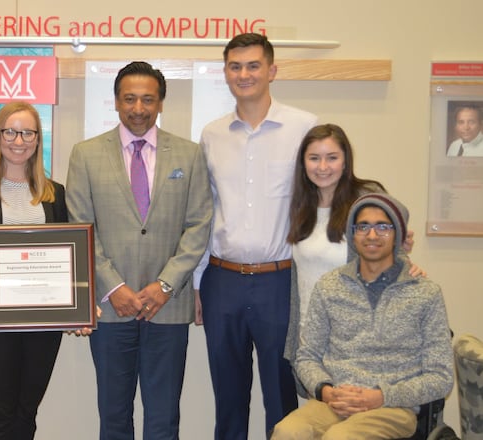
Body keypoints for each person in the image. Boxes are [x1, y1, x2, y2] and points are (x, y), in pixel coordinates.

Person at [66, 61, 212, 439]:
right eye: (129, 98)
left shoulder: (189, 154)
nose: (138, 108)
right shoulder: (85, 154)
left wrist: (165, 285)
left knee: (164, 419)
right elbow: (81, 228)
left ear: (160, 103)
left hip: (168, 306)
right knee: (114, 417)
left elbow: (199, 224)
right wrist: (115, 287)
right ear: (115, 102)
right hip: (111, 308)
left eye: (148, 99)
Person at [194, 32, 318, 439]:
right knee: (227, 396)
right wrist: (197, 285)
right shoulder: (212, 135)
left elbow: (335, 187)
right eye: (235, 66)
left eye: (253, 66)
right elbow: (202, 212)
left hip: (278, 282)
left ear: (271, 70)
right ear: (225, 73)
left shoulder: (304, 127)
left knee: (281, 396)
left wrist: (395, 230)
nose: (243, 74)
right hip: (222, 280)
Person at [271, 193, 454, 439]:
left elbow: (440, 377)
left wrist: (381, 396)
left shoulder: (425, 294)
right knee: (286, 432)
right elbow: (307, 356)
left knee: (340, 438)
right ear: (352, 235)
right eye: (363, 226)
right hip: (336, 400)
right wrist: (327, 392)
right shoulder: (329, 286)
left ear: (397, 234)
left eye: (382, 227)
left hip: (392, 406)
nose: (371, 235)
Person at [0, 101, 70, 440]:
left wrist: (79, 304)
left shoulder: (54, 193)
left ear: (38, 138)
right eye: (10, 131)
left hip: (42, 322)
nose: (18, 140)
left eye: (27, 132)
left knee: (26, 412)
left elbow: (66, 254)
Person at [283, 124, 422, 386]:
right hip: (310, 332)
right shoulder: (302, 205)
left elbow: (395, 229)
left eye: (332, 157)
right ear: (303, 163)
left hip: (354, 338)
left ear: (346, 161)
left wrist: (404, 261)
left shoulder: (366, 196)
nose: (323, 166)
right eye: (314, 158)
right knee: (318, 413)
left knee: (350, 414)